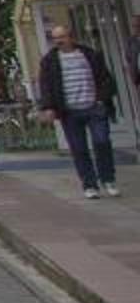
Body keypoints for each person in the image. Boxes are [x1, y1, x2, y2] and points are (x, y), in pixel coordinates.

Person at [37, 21, 123, 199]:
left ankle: (108, 180)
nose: (58, 41)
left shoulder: (90, 55)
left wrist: (101, 99)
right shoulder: (49, 61)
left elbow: (106, 79)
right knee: (79, 149)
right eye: (55, 38)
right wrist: (49, 107)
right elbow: (46, 87)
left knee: (102, 142)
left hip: (94, 107)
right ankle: (89, 185)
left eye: (62, 37)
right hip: (69, 112)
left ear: (71, 37)